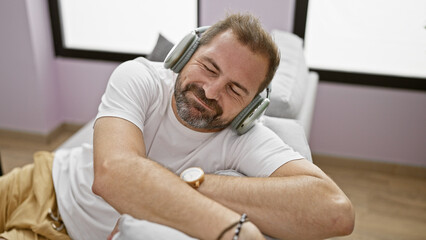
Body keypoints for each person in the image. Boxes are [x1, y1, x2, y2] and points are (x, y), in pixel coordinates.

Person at [0, 13, 354, 240]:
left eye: (235, 89)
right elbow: (112, 173)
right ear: (185, 54)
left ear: (252, 108)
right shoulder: (140, 77)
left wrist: (195, 182)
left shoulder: (245, 138)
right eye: (209, 68)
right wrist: (231, 229)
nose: (211, 91)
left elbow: (336, 211)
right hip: (40, 182)